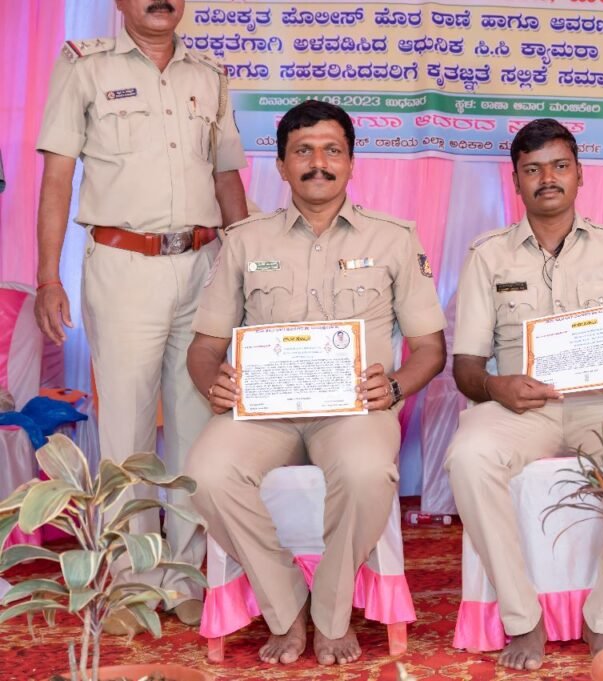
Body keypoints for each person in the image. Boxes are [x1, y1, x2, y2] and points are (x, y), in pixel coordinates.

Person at [185, 100, 446, 665]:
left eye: (332, 151)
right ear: (281, 166)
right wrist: (213, 384)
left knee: (366, 471)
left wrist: (394, 387)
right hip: (263, 412)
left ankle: (330, 612)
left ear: (351, 162)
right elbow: (204, 348)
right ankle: (286, 607)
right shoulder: (245, 241)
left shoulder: (394, 238)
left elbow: (430, 348)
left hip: (355, 410)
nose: (318, 163)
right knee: (206, 473)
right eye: (303, 151)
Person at [33, 0, 248, 632]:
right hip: (123, 264)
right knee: (125, 428)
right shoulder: (84, 65)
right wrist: (48, 277)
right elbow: (57, 178)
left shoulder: (209, 74)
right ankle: (128, 582)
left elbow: (227, 177)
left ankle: (182, 576)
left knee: (195, 427)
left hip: (203, 265)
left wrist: (250, 273)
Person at [445, 118, 603, 671]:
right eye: (533, 169)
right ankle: (523, 618)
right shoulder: (488, 256)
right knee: (468, 457)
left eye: (560, 166)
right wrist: (496, 386)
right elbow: (465, 368)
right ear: (516, 181)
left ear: (580, 175)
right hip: (521, 407)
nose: (547, 178)